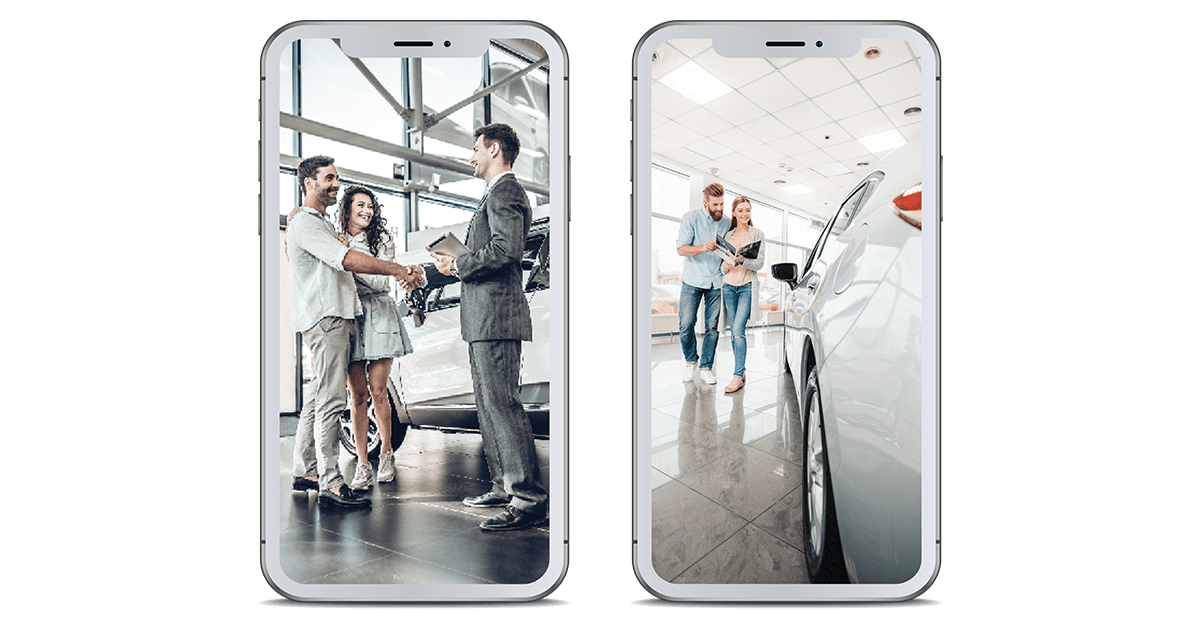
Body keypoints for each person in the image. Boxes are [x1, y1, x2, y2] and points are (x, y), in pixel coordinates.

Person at [429, 123, 548, 531]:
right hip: (483, 319)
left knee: (503, 405)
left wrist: (460, 263)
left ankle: (528, 499)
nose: (471, 156)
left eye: (475, 148)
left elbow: (505, 250)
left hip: (497, 317)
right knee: (489, 406)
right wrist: (453, 265)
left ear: (494, 149)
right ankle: (503, 485)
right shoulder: (494, 194)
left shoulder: (507, 191)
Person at [287, 155, 423, 509]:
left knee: (318, 398)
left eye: (336, 179)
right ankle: (332, 482)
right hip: (329, 319)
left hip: (334, 318)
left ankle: (306, 470)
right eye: (328, 178)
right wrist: (396, 269)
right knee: (333, 401)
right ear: (308, 183)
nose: (335, 184)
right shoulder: (307, 224)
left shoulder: (315, 222)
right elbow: (345, 259)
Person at [337, 186, 414, 491]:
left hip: (380, 313)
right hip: (350, 315)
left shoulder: (382, 239)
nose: (367, 211)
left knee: (379, 392)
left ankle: (386, 453)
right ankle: (363, 463)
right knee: (356, 396)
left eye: (370, 206)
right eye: (360, 205)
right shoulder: (336, 237)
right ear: (348, 208)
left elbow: (381, 280)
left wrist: (350, 258)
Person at [675, 182, 731, 386]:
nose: (719, 208)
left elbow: (729, 248)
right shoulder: (690, 218)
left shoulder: (726, 222)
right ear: (705, 202)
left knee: (712, 328)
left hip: (716, 280)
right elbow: (681, 249)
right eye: (715, 204)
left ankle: (706, 367)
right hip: (692, 280)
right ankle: (691, 362)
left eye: (722, 204)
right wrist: (702, 248)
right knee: (685, 324)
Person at [719, 196, 765, 394]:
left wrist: (742, 260)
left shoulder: (757, 234)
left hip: (746, 286)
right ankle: (742, 371)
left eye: (748, 210)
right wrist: (725, 265)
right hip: (729, 286)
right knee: (734, 331)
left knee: (738, 329)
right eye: (741, 210)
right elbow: (721, 265)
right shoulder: (727, 235)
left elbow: (760, 263)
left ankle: (737, 376)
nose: (745, 214)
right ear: (734, 213)